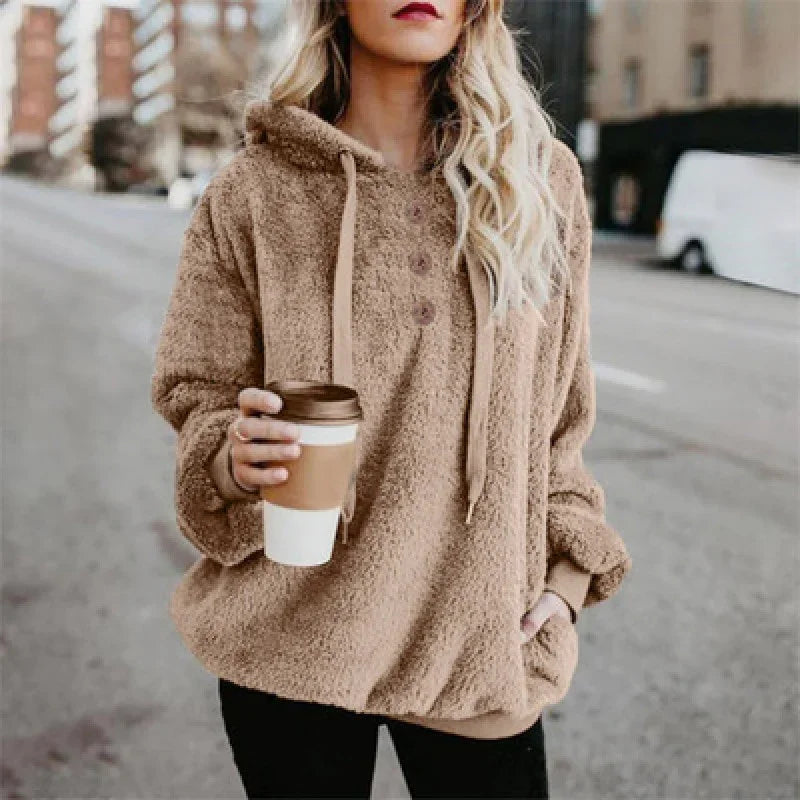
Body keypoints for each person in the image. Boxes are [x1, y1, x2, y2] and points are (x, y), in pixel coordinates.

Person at [150, 0, 633, 797]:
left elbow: (560, 417)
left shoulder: (539, 181)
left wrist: (567, 578)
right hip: (290, 647)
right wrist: (232, 459)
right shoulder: (253, 194)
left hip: (476, 648)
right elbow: (198, 392)